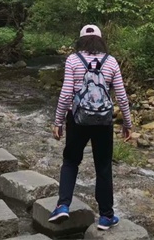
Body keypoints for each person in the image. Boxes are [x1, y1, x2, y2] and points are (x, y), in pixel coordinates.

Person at [48, 24, 133, 231]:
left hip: (77, 119)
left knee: (70, 161)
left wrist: (58, 121)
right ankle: (106, 216)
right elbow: (121, 95)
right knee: (103, 167)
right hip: (103, 121)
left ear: (81, 41)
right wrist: (127, 124)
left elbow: (67, 93)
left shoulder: (73, 60)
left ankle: (63, 205)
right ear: (100, 40)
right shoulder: (111, 61)